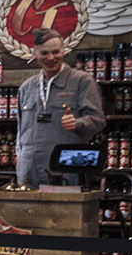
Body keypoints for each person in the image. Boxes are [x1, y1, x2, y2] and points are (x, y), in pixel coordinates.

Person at [16, 28, 106, 187]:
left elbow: (98, 120)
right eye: (44, 53)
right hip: (29, 169)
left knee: (65, 211)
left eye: (55, 52)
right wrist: (20, 154)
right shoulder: (27, 87)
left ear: (64, 52)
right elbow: (20, 128)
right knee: (28, 211)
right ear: (35, 54)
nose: (50, 57)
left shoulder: (82, 81)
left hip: (66, 168)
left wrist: (78, 123)